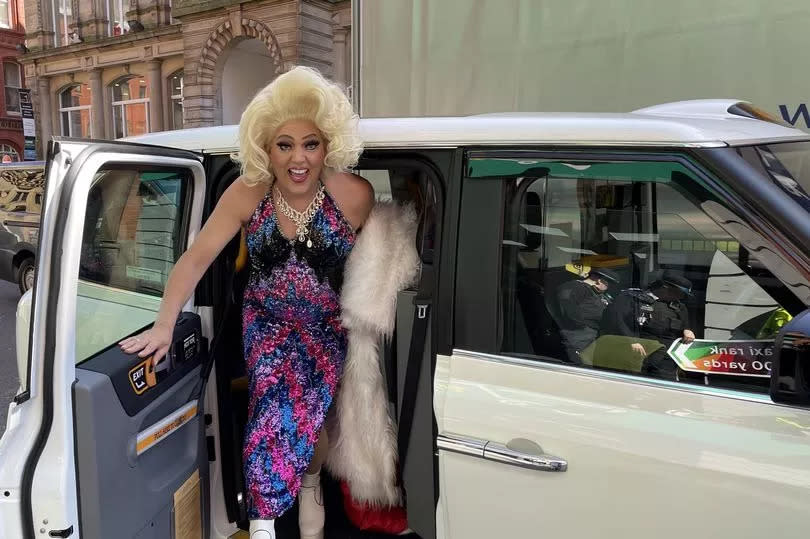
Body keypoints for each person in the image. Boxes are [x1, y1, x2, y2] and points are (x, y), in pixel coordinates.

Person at [119, 66, 374, 539]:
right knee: (271, 414)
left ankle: (312, 479)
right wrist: (162, 325)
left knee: (313, 422)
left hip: (324, 330)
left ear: (328, 146)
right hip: (268, 327)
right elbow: (195, 260)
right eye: (285, 145)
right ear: (266, 148)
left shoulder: (355, 197)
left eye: (311, 144)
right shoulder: (246, 193)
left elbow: (376, 268)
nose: (298, 159)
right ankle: (263, 523)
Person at [600, 270, 696, 379]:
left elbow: (685, 326)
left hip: (665, 362)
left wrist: (687, 331)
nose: (680, 298)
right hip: (637, 356)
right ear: (665, 288)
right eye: (679, 294)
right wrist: (630, 340)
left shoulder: (679, 307)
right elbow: (616, 320)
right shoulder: (633, 298)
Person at [556, 267, 619, 364]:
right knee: (583, 368)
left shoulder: (599, 294)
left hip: (595, 336)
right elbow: (568, 309)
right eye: (608, 284)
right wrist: (583, 325)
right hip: (579, 336)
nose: (608, 288)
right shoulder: (575, 287)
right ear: (599, 281)